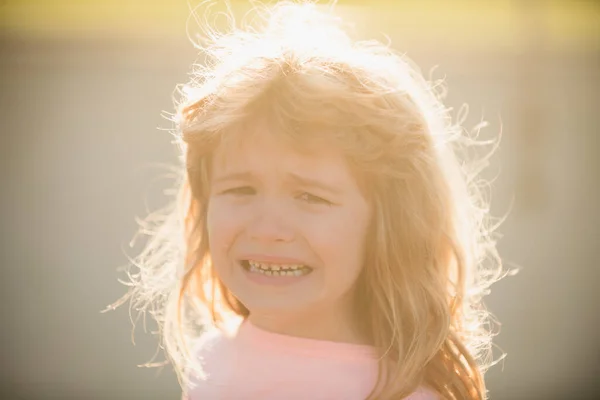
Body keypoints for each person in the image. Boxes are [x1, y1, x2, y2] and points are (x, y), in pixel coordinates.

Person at [109, 1, 505, 399]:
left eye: (310, 197)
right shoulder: (212, 360)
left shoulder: (404, 394)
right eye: (240, 190)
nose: (268, 229)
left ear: (389, 223)